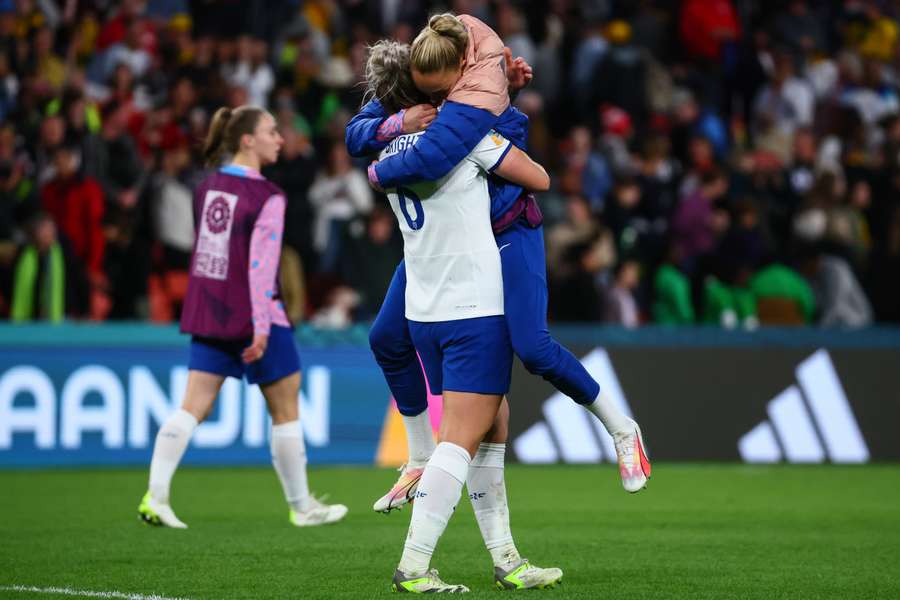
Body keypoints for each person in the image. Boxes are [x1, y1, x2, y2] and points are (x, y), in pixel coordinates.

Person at [345, 14, 650, 512]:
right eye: (422, 92)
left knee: (533, 348)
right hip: (446, 246)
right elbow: (356, 133)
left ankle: (622, 428)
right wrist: (399, 121)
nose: (431, 99)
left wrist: (380, 171)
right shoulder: (425, 84)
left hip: (508, 231)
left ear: (457, 73)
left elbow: (536, 176)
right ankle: (419, 457)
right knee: (385, 338)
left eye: (438, 91)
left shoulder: (477, 106)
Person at [367, 40, 562, 593]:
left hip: (424, 309)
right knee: (460, 441)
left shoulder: (387, 154)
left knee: (493, 424)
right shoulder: (464, 137)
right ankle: (414, 565)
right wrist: (500, 110)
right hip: (473, 306)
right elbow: (540, 178)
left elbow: (368, 140)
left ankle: (507, 559)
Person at [137, 105, 347, 529]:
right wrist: (262, 326)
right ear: (247, 139)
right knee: (285, 407)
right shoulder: (267, 196)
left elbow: (213, 255)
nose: (280, 138)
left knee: (191, 406)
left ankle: (155, 496)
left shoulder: (205, 187)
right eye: (272, 131)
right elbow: (259, 266)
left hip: (208, 310)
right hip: (255, 314)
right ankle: (302, 505)